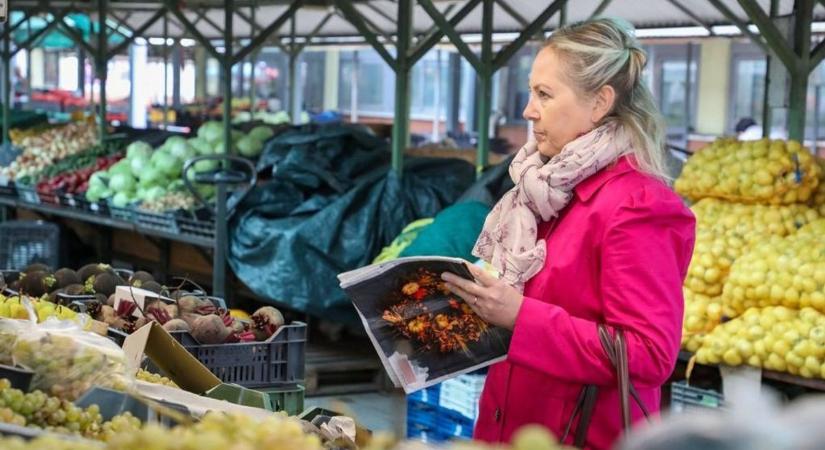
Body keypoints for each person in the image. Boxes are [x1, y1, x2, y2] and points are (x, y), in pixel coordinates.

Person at [440, 18, 696, 450]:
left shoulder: (638, 205)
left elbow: (649, 353)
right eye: (530, 93)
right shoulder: (545, 191)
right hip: (513, 428)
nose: (528, 110)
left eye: (544, 94)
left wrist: (519, 315)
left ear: (599, 103)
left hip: (579, 435)